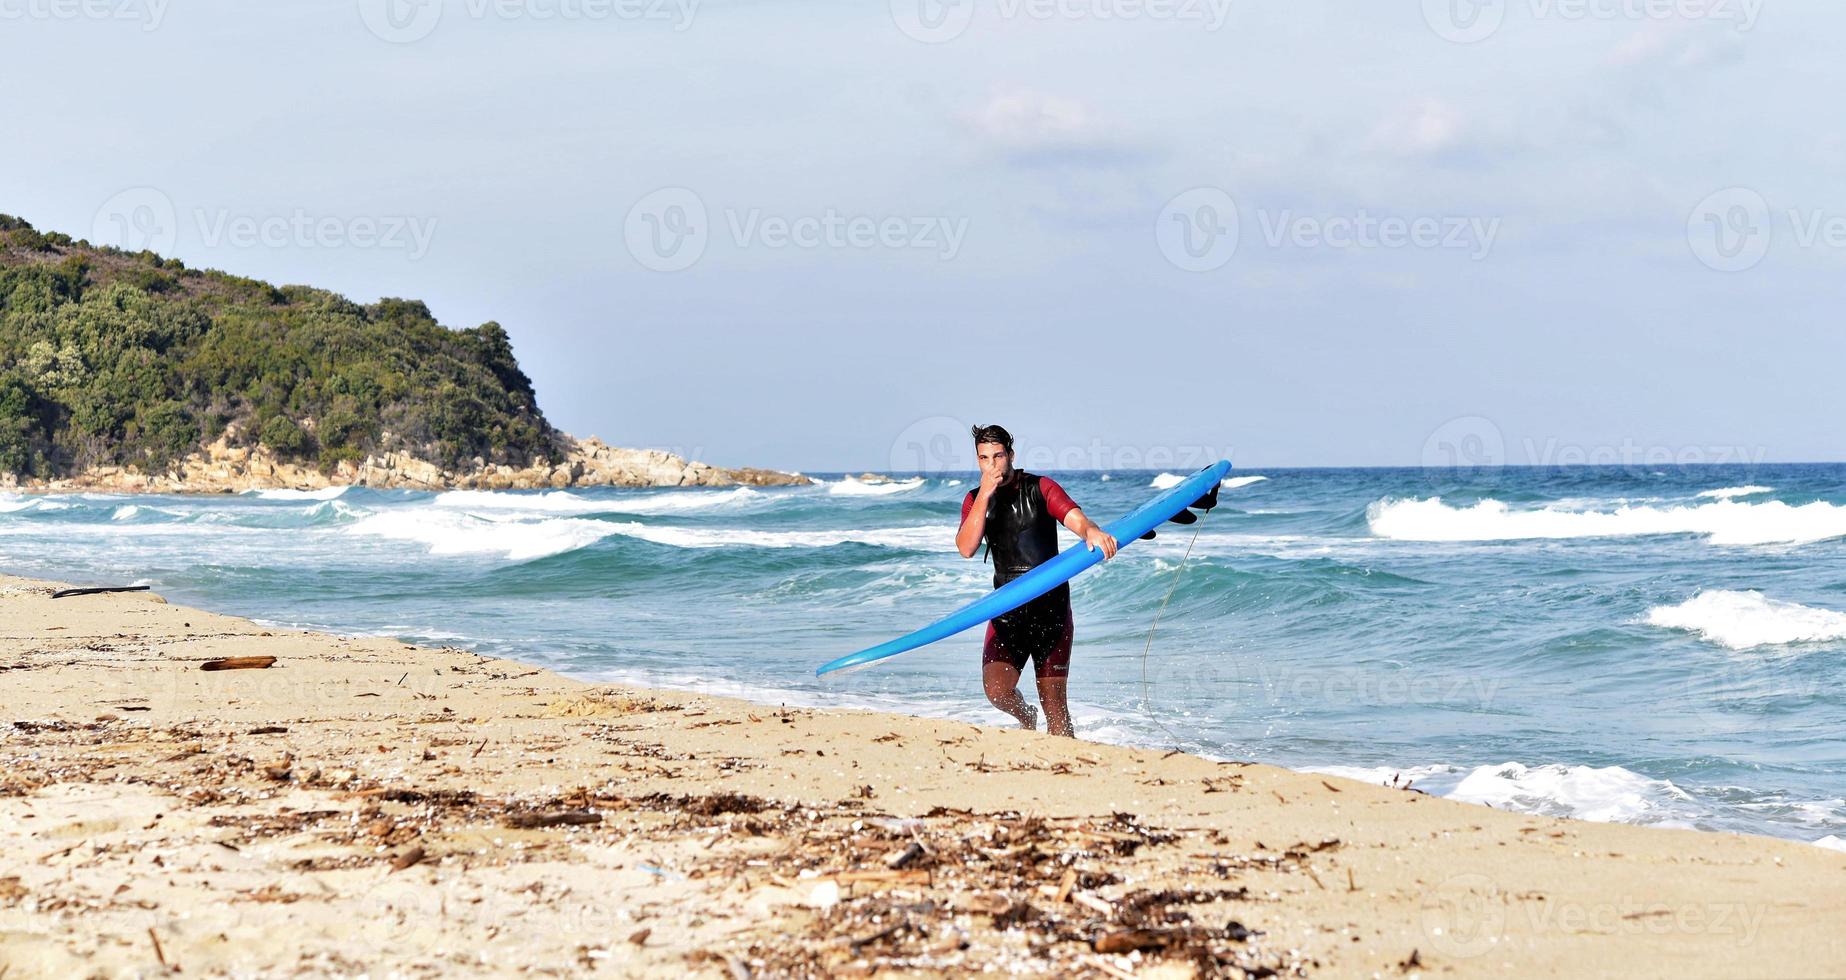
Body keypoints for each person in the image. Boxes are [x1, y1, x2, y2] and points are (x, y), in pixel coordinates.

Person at [956, 424, 1117, 737]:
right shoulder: (975, 499)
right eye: (984, 458)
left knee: (1055, 708)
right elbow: (966, 548)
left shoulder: (1040, 487)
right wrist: (986, 495)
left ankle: (1070, 768)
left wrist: (1091, 531)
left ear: (1011, 455)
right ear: (978, 461)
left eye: (998, 456)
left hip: (1049, 609)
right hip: (1007, 610)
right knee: (997, 691)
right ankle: (1025, 715)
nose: (992, 464)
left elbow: (1075, 517)